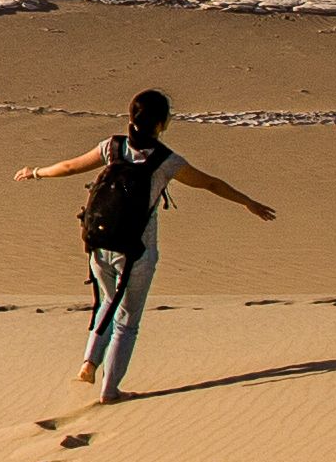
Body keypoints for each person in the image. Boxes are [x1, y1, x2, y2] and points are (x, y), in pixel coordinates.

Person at [14, 87, 274, 404]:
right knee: (127, 322)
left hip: (98, 244)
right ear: (162, 123)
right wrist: (247, 202)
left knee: (106, 303)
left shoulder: (111, 147)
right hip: (136, 253)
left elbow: (69, 167)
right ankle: (110, 391)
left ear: (131, 117)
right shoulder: (166, 161)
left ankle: (89, 361)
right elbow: (210, 183)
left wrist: (35, 172)